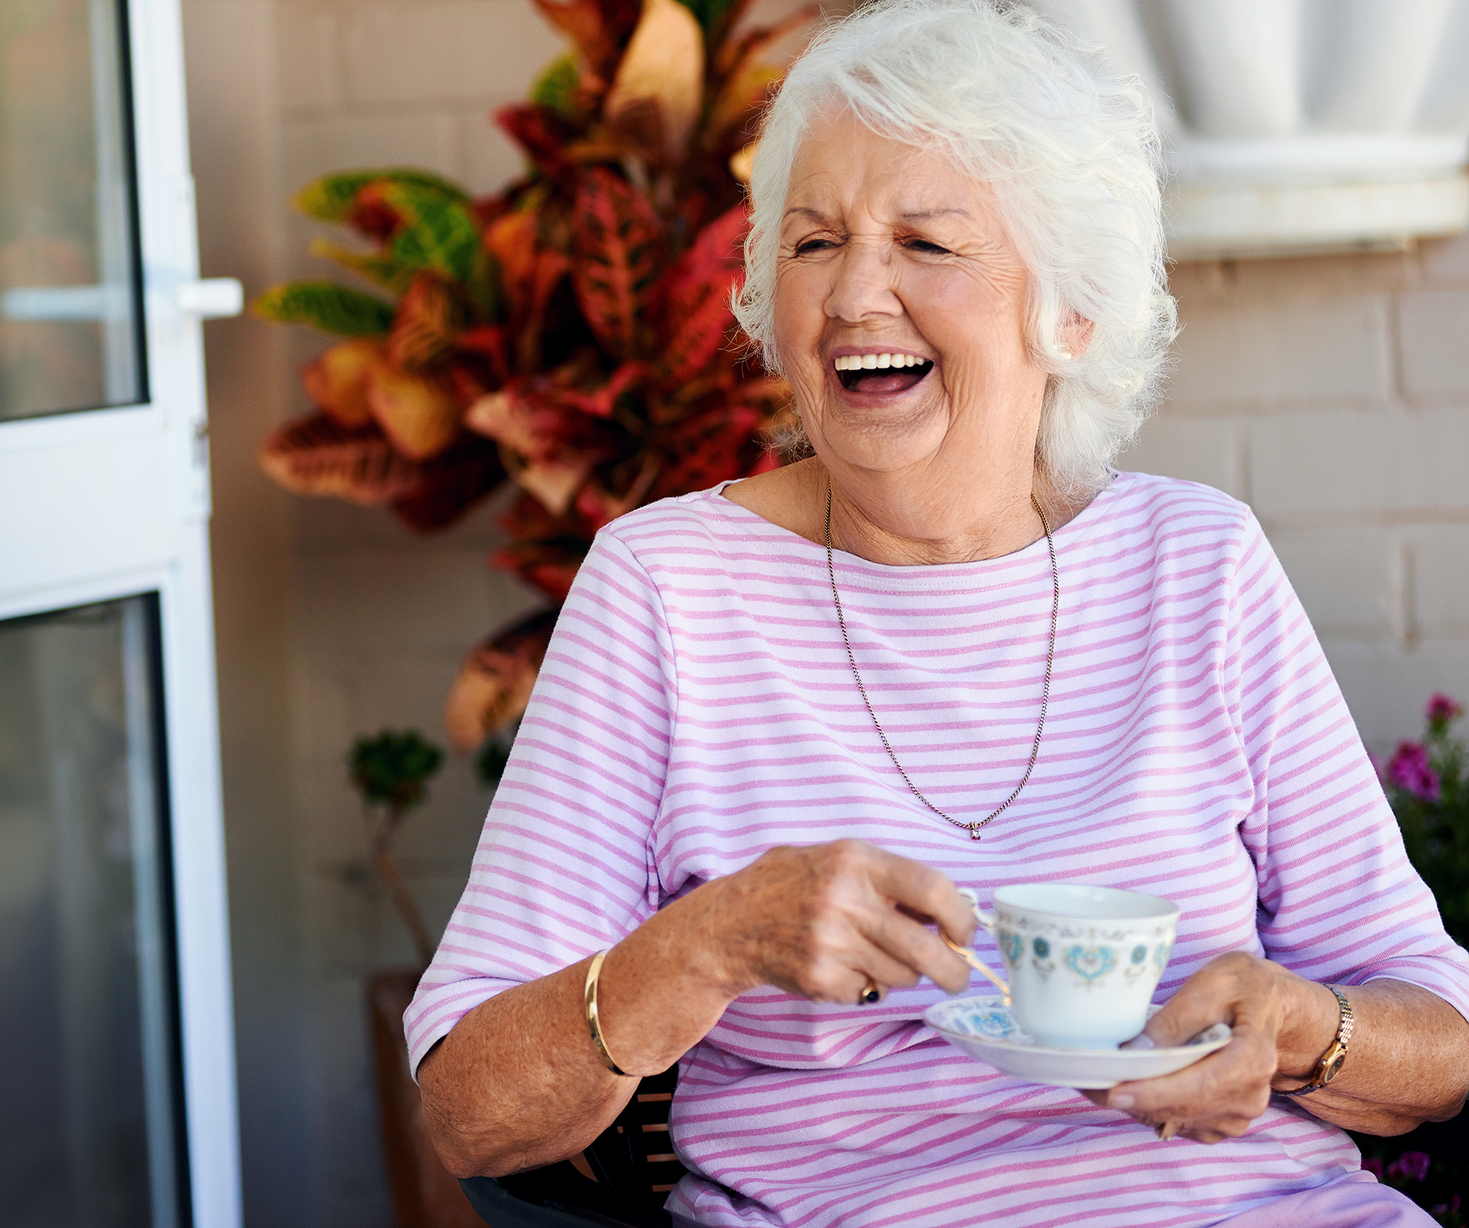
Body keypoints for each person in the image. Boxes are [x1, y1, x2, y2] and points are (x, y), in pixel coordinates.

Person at [403, 2, 1469, 1223]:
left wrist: (1302, 1030)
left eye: (927, 241)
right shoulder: (668, 590)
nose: (856, 292)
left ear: (1069, 311)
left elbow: (1438, 1038)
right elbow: (466, 1109)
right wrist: (698, 948)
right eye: (812, 244)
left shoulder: (1197, 564)